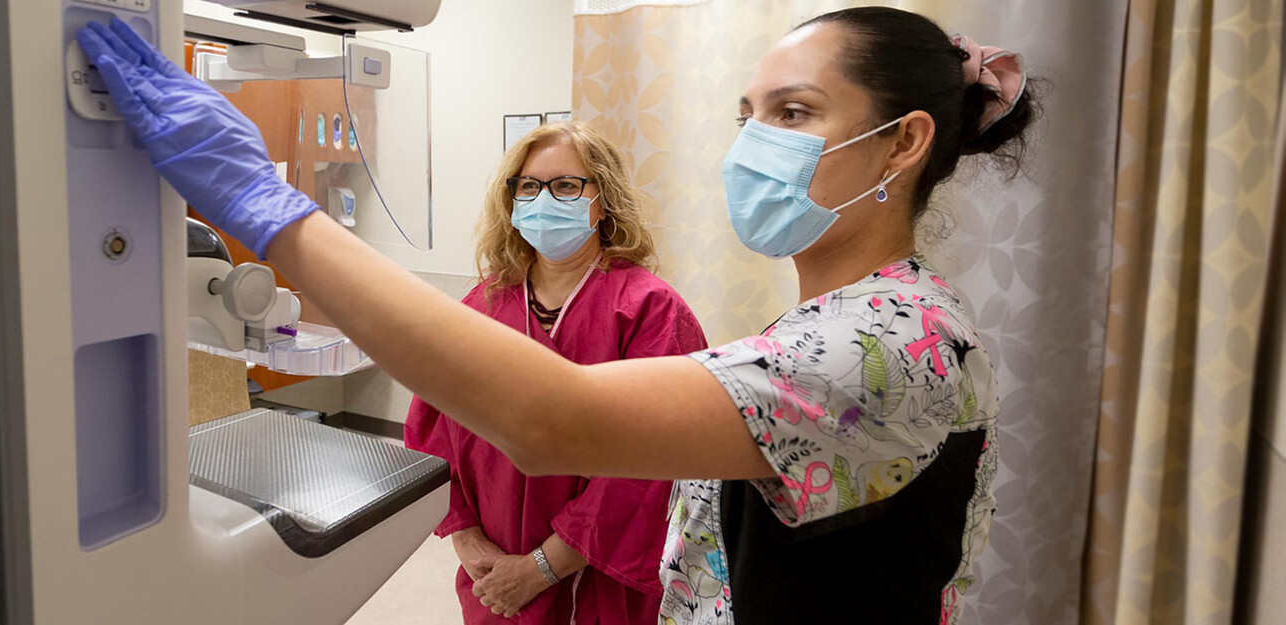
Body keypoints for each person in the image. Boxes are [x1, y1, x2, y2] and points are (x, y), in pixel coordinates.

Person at [77, 5, 1036, 622]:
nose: (751, 143)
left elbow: (553, 419)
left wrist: (265, 207)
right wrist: (474, 545)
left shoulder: (885, 344)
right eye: (748, 113)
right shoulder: (864, 320)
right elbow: (442, 426)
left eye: (791, 113)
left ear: (902, 142)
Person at [403, 122, 705, 623]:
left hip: (601, 575)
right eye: (529, 186)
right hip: (492, 572)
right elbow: (431, 432)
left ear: (603, 200)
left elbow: (650, 465)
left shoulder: (650, 311)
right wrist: (469, 541)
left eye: (566, 185)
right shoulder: (483, 306)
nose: (545, 198)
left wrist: (543, 568)